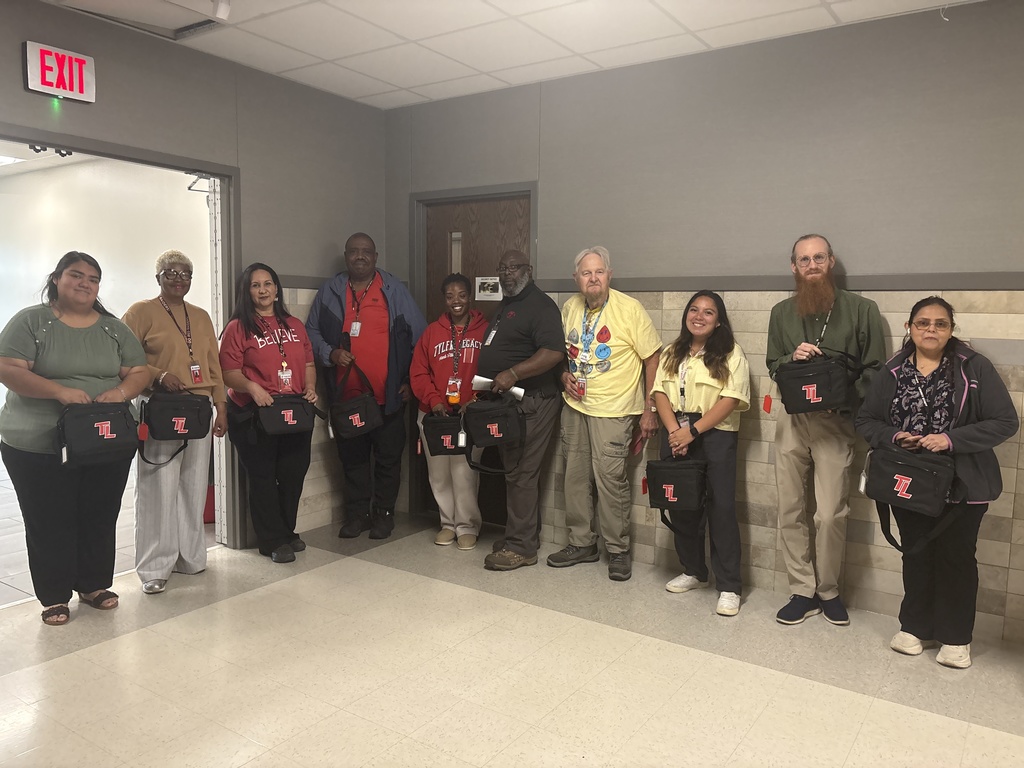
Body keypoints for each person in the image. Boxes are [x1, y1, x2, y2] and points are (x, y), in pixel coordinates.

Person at [856, 297, 1018, 668]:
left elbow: (1005, 421)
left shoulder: (974, 367)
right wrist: (895, 436)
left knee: (956, 557)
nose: (931, 329)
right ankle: (915, 627)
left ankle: (956, 638)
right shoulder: (892, 370)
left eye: (940, 323)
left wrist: (950, 439)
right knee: (915, 552)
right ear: (909, 327)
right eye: (923, 323)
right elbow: (866, 420)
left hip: (963, 484)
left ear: (951, 329)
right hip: (909, 482)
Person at [0, 252, 149, 625]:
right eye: (76, 275)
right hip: (38, 443)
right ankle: (54, 596)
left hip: (105, 440)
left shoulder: (113, 328)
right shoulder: (32, 322)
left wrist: (120, 393)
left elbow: (139, 370)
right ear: (56, 279)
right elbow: (7, 368)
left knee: (99, 513)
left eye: (93, 278)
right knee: (49, 518)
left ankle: (94, 585)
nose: (85, 283)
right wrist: (58, 391)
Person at [766, 234, 887, 626]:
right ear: (794, 267)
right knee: (789, 507)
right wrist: (791, 357)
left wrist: (844, 396)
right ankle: (802, 589)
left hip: (836, 420)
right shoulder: (781, 313)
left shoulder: (861, 310)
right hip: (792, 418)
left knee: (831, 513)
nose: (812, 265)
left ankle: (828, 590)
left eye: (819, 257)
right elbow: (772, 363)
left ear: (831, 261)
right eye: (804, 260)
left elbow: (876, 369)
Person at [550, 246, 661, 582]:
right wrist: (563, 376)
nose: (593, 278)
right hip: (575, 407)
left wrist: (650, 409)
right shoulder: (570, 307)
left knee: (610, 481)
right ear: (576, 278)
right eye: (586, 273)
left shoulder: (630, 309)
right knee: (574, 478)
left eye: (599, 272)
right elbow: (563, 354)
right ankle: (581, 543)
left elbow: (653, 359)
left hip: (614, 411)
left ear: (609, 275)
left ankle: (618, 550)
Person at [306, 233, 426, 540]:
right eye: (354, 251)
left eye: (366, 252)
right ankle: (357, 516)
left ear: (375, 257)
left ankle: (384, 515)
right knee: (353, 460)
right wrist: (330, 353)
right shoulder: (330, 291)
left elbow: (420, 340)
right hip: (346, 399)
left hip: (388, 397)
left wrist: (410, 383)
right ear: (346, 256)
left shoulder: (393, 290)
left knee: (388, 460)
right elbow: (311, 332)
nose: (360, 256)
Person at [122, 250, 228, 595]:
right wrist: (158, 374)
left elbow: (213, 366)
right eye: (171, 272)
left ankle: (190, 557)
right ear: (158, 277)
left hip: (199, 407)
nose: (178, 279)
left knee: (193, 486)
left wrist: (221, 406)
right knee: (159, 486)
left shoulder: (201, 316)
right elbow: (123, 357)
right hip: (161, 406)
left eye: (185, 274)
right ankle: (155, 567)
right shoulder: (140, 312)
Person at [651, 291, 750, 614]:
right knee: (681, 504)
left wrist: (692, 432)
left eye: (708, 312)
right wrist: (674, 432)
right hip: (676, 431)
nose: (699, 316)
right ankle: (694, 571)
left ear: (718, 321)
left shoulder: (731, 353)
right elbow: (660, 392)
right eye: (694, 310)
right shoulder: (672, 351)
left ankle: (729, 586)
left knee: (721, 508)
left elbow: (731, 399)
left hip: (715, 434)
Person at [220, 263, 318, 564]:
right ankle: (271, 541)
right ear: (247, 292)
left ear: (277, 289)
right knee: (263, 478)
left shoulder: (294, 325)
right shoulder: (237, 328)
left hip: (293, 413)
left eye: (268, 284)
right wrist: (252, 387)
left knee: (292, 475)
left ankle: (287, 531)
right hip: (254, 415)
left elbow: (309, 363)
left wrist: (311, 387)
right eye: (255, 285)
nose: (262, 290)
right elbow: (228, 373)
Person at [479, 250, 565, 572]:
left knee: (521, 473)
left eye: (513, 268)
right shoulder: (508, 304)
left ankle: (521, 548)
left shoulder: (540, 305)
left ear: (528, 270)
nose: (507, 273)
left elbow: (553, 352)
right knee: (516, 472)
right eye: (502, 268)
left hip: (534, 401)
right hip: (510, 404)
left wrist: (513, 373)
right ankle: (523, 536)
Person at [409, 273, 488, 550]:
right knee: (439, 473)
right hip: (435, 415)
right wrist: (434, 400)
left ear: (470, 297)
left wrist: (475, 399)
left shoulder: (484, 330)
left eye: (462, 295)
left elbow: (493, 370)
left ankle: (467, 525)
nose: (456, 301)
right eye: (450, 296)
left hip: (469, 416)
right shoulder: (432, 332)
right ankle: (447, 524)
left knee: (465, 472)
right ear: (444, 299)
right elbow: (418, 372)